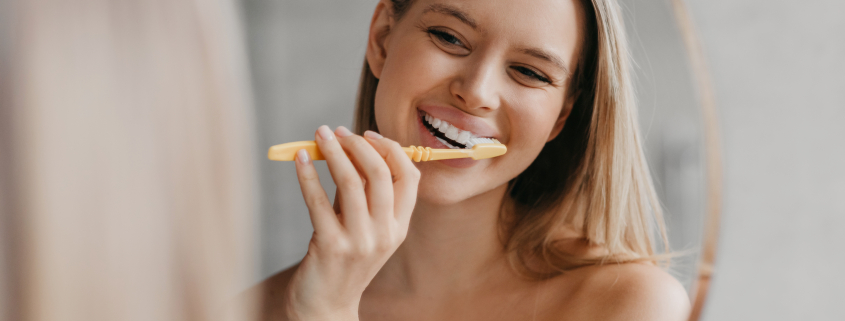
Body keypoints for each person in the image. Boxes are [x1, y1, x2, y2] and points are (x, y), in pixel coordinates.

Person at [252, 0, 690, 320]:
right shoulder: (246, 310)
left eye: (531, 72)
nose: (477, 92)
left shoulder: (630, 307)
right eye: (449, 38)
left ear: (561, 115)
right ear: (383, 38)